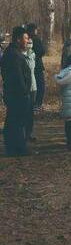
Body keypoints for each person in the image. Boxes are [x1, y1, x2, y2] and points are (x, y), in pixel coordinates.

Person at [0, 27, 33, 156]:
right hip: (17, 94)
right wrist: (25, 92)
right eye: (25, 38)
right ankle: (17, 148)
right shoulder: (13, 55)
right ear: (18, 39)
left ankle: (14, 147)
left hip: (16, 93)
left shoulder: (14, 52)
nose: (27, 41)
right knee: (17, 121)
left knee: (14, 120)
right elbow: (17, 77)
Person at [26, 23, 47, 110]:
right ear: (33, 30)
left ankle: (34, 102)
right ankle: (38, 103)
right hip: (37, 65)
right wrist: (35, 56)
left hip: (30, 65)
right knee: (40, 84)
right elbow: (42, 51)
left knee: (32, 85)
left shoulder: (27, 38)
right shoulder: (35, 39)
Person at [22, 35, 36, 140]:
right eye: (28, 42)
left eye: (31, 42)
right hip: (24, 87)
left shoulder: (33, 54)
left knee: (30, 112)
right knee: (24, 111)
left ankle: (29, 133)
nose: (29, 44)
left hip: (33, 87)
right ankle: (22, 134)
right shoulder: (20, 55)